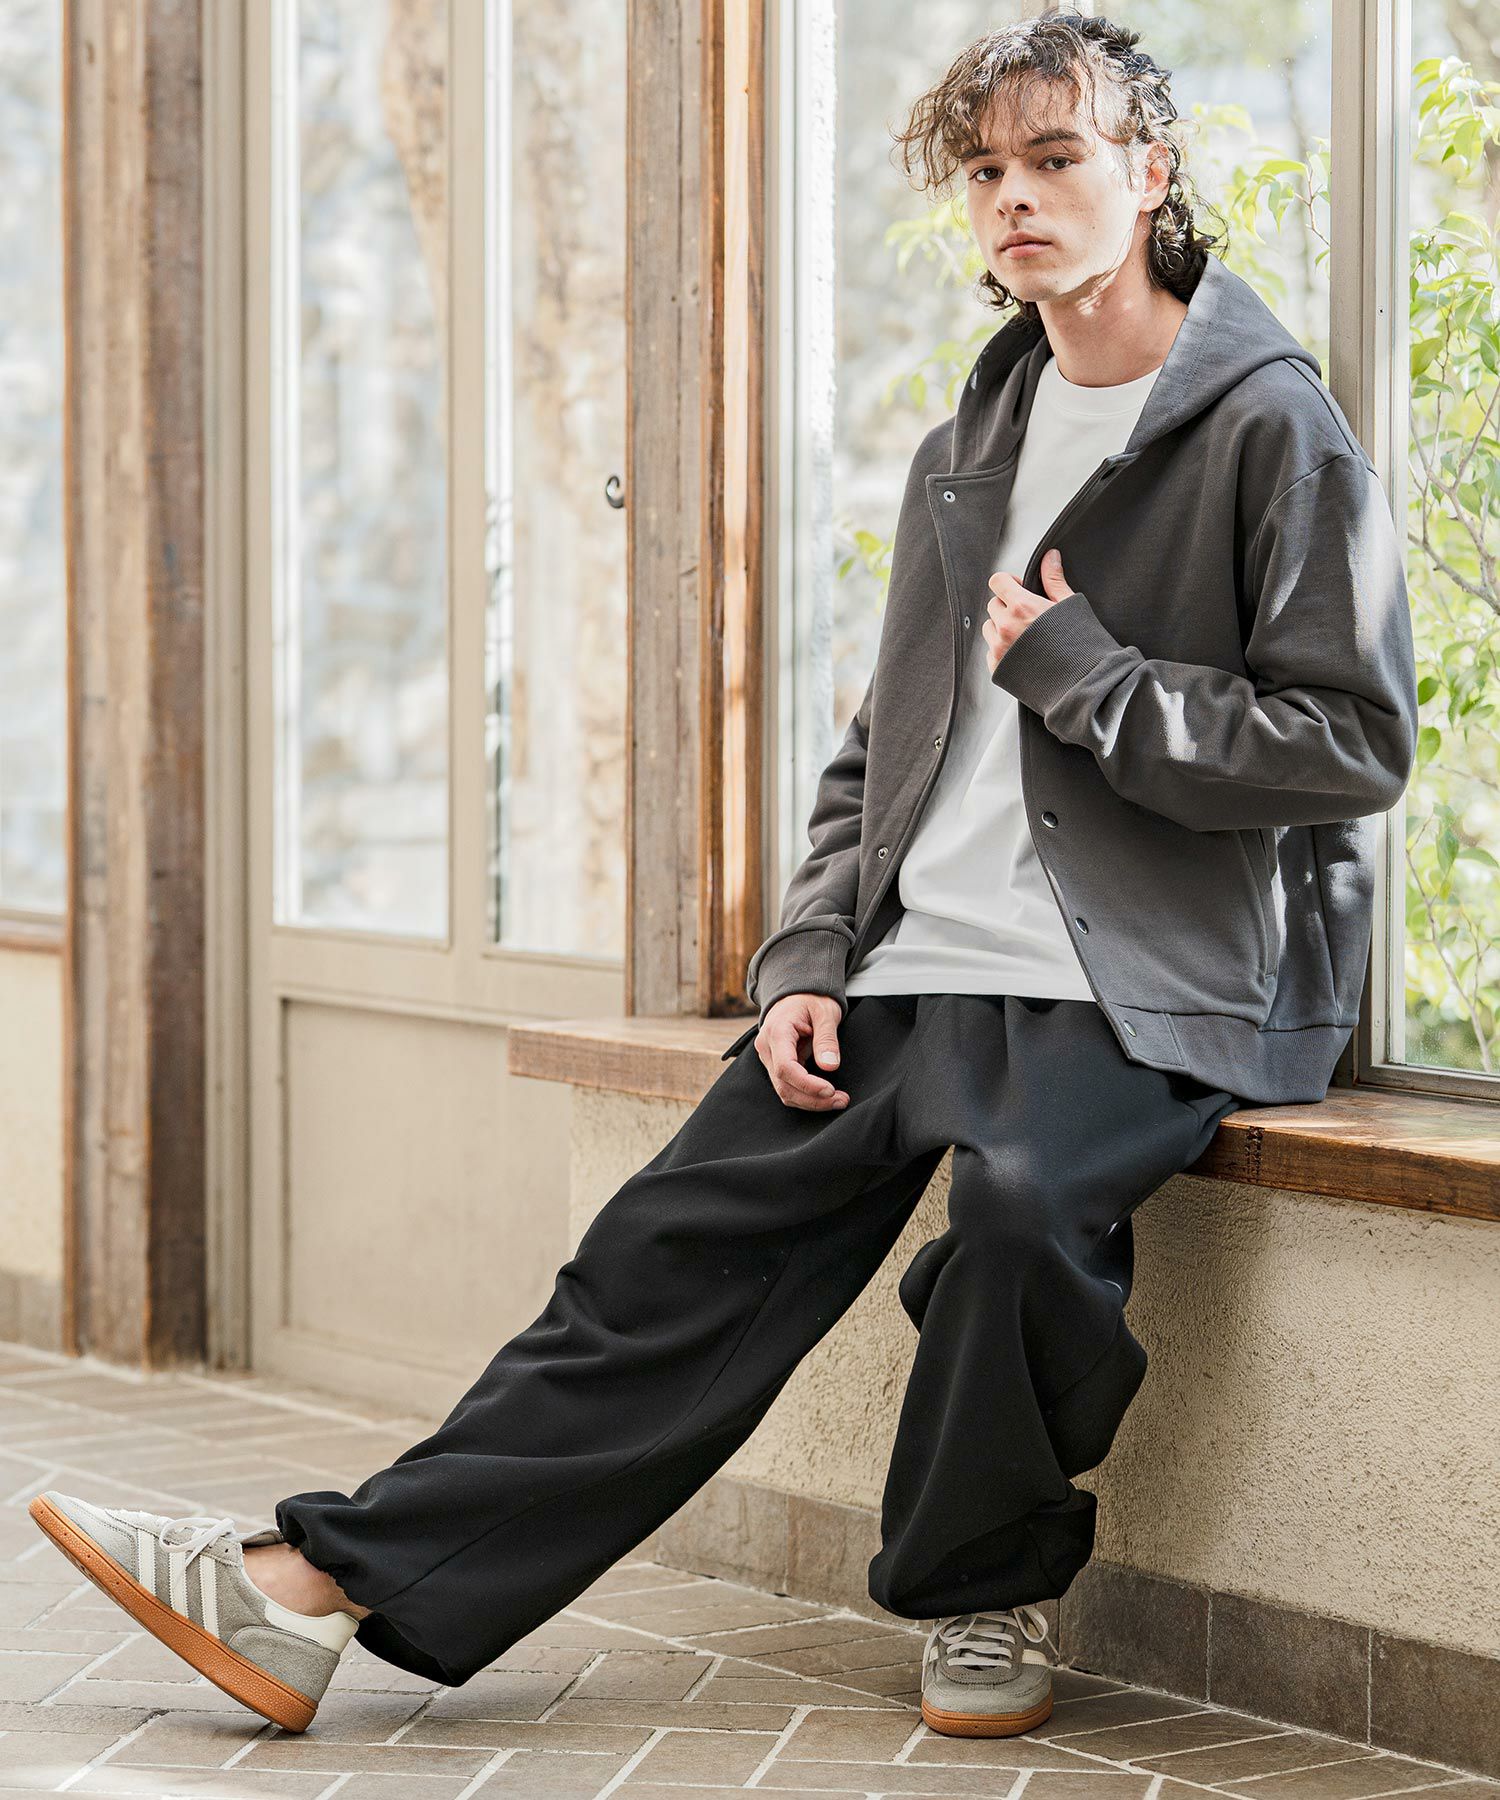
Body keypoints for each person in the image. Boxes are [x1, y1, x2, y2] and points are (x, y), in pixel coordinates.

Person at [29, 12, 1418, 1744]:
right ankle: (313, 1588)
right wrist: (810, 954)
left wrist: (1092, 679)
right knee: (660, 1255)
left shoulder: (1272, 426)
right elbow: (885, 748)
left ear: (1150, 175)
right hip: (912, 964)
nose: (1015, 197)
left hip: (1132, 983)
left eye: (1058, 158)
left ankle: (982, 1588)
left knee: (1015, 1222)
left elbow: (1352, 744)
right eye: (988, 170)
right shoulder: (968, 445)